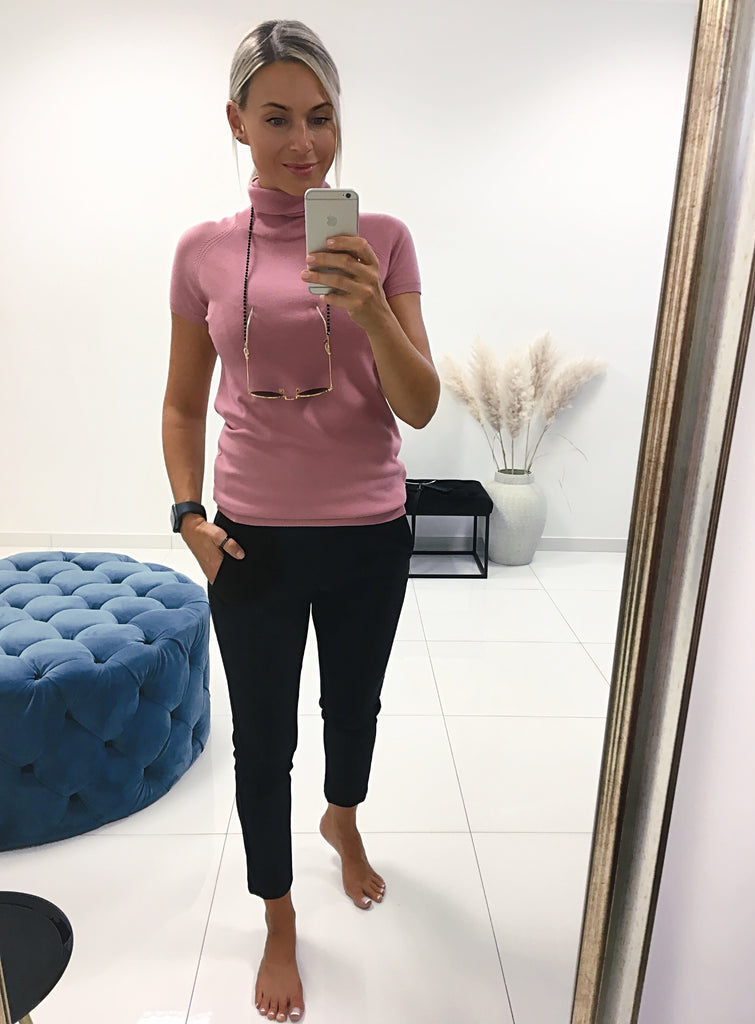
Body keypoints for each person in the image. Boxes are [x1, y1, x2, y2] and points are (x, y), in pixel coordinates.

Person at [162, 19, 439, 1024]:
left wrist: (372, 310)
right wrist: (189, 516)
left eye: (320, 117)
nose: (304, 143)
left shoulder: (384, 239)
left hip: (370, 532)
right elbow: (182, 405)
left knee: (353, 708)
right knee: (262, 741)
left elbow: (420, 405)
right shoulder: (201, 252)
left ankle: (342, 819)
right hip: (253, 541)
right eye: (277, 118)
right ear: (237, 122)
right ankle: (277, 912)